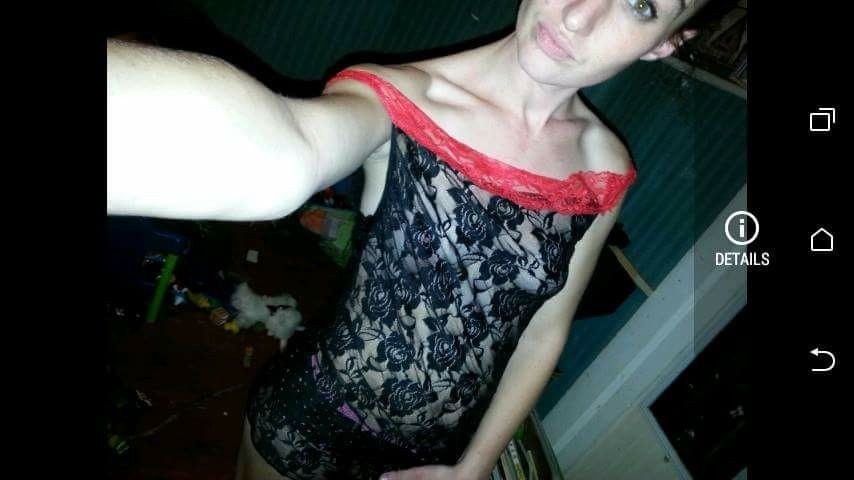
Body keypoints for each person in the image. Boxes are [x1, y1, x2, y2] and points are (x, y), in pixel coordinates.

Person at [108, 1, 717, 478]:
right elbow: (290, 152)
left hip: (433, 456)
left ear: (666, 42)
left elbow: (543, 332)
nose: (579, 16)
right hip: (310, 422)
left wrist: (473, 467)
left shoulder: (604, 169)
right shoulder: (397, 95)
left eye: (640, 4)